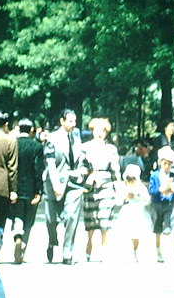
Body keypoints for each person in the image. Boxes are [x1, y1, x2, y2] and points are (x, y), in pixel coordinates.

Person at [43, 109, 88, 264]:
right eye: (70, 121)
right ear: (62, 121)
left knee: (71, 216)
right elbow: (50, 163)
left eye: (74, 121)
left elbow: (81, 160)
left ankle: (67, 252)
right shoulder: (52, 139)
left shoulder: (77, 139)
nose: (73, 124)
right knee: (51, 219)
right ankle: (52, 241)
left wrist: (82, 171)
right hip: (54, 182)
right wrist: (56, 184)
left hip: (73, 183)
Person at [81, 117, 121, 262]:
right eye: (98, 130)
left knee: (105, 219)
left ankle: (104, 249)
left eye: (103, 130)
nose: (100, 133)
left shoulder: (111, 149)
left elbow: (116, 170)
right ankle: (89, 245)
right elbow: (81, 167)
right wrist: (88, 176)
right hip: (90, 186)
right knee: (91, 219)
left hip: (106, 187)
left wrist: (118, 187)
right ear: (92, 130)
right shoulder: (84, 147)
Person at [10, 117, 44, 264]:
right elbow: (38, 169)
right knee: (29, 219)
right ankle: (23, 245)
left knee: (17, 215)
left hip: (15, 187)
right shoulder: (36, 146)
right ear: (31, 130)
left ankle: (17, 236)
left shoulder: (13, 144)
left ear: (19, 128)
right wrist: (39, 190)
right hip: (31, 188)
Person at [149, 147, 174, 262]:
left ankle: (168, 252)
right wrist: (160, 190)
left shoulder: (173, 175)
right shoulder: (155, 175)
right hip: (157, 203)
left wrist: (173, 190)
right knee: (157, 228)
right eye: (165, 163)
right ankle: (158, 251)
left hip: (168, 203)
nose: (167, 166)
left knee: (168, 227)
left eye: (169, 164)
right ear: (160, 163)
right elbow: (151, 190)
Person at [115, 164, 150, 261]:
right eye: (128, 178)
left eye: (133, 178)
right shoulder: (123, 187)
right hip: (126, 212)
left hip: (138, 212)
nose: (131, 180)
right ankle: (127, 254)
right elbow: (117, 202)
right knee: (126, 233)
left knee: (137, 234)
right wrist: (125, 197)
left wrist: (138, 196)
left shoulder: (141, 187)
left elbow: (147, 200)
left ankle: (136, 252)